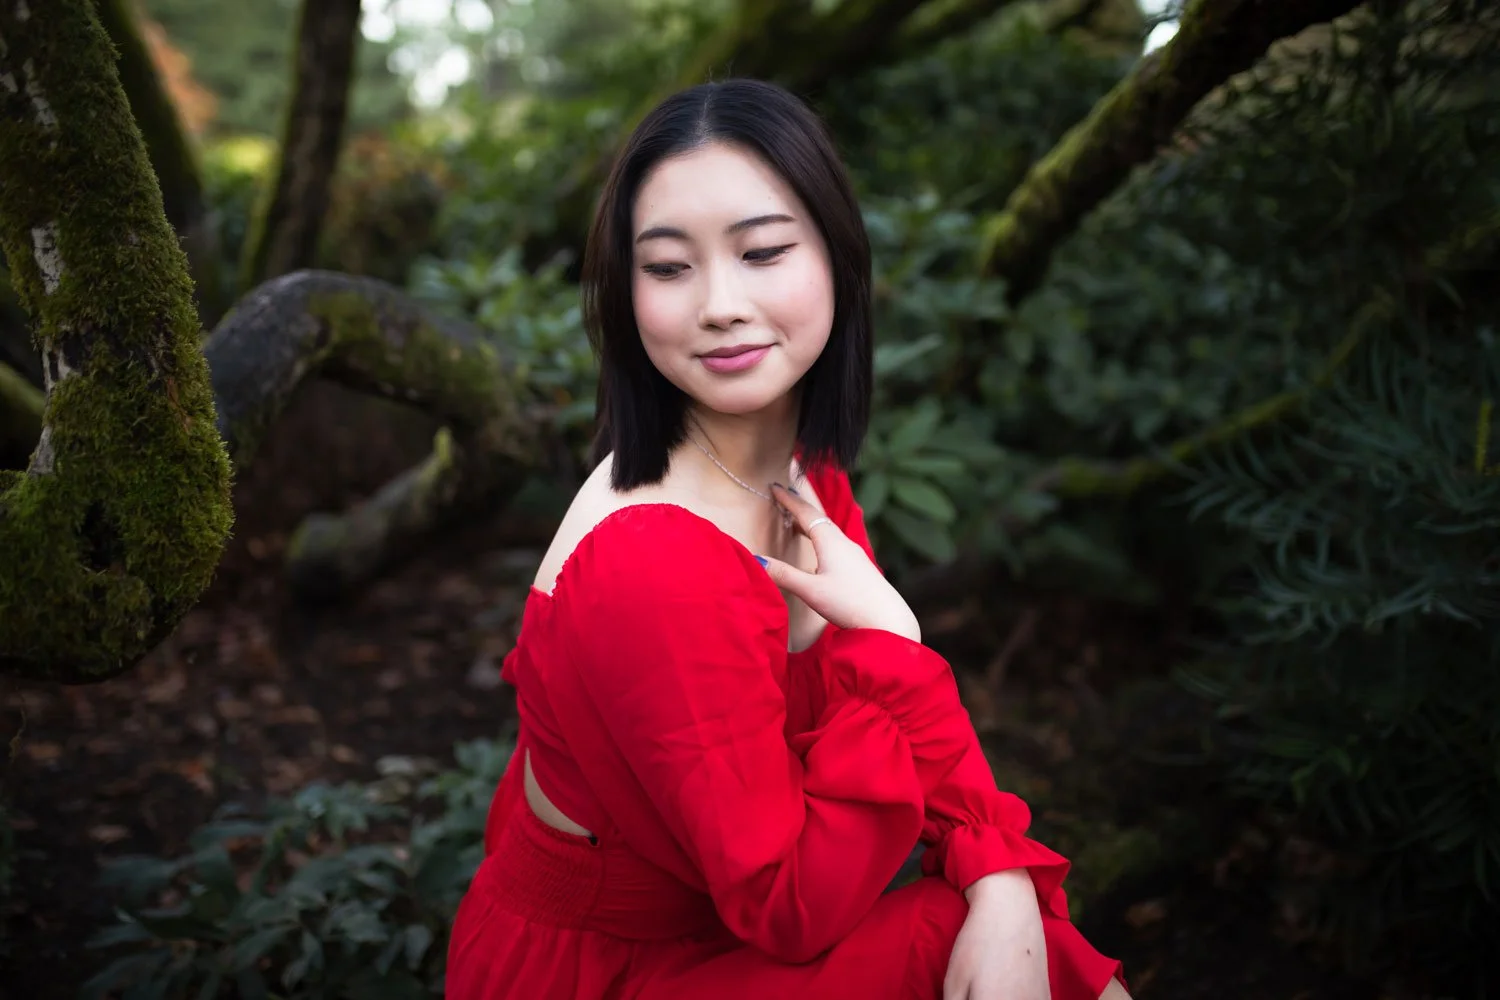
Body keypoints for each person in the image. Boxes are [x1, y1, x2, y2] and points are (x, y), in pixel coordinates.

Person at [446, 78, 1130, 1000]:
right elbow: (790, 900)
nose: (720, 304)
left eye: (763, 251)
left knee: (1020, 937)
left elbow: (917, 743)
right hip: (613, 970)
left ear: (839, 257)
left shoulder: (799, 478)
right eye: (669, 267)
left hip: (725, 937)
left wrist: (999, 875)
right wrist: (893, 641)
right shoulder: (655, 559)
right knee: (988, 947)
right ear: (625, 293)